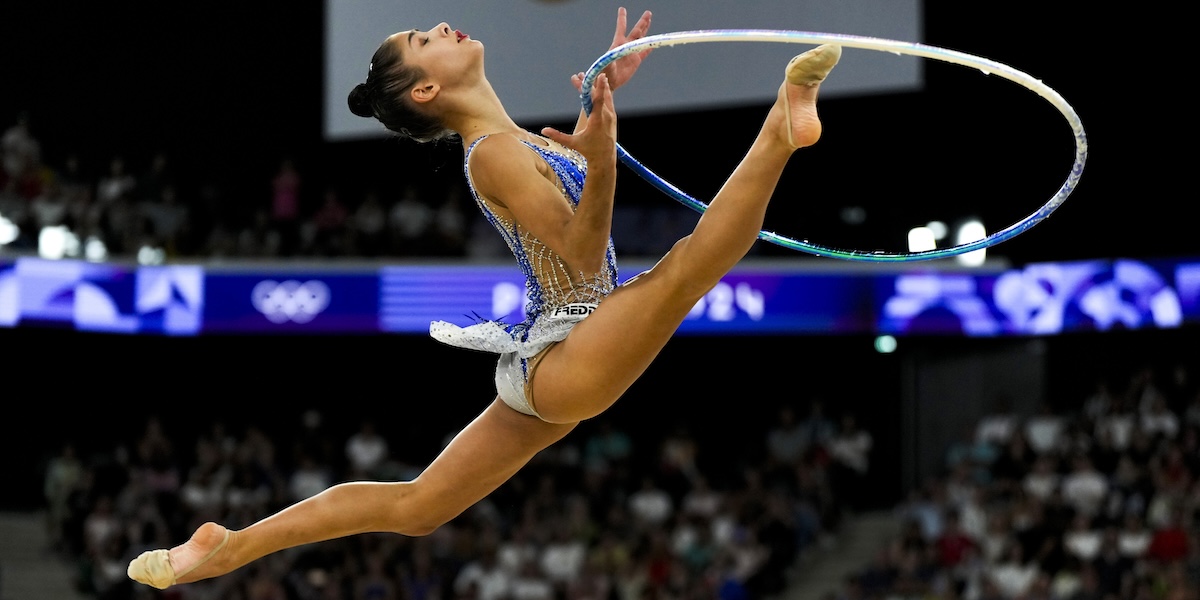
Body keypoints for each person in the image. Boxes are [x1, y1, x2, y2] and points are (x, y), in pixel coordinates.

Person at [128, 7, 843, 590]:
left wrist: (603, 101)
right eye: (422, 39)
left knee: (417, 507)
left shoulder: (515, 140)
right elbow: (584, 252)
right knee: (685, 269)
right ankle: (782, 125)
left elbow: (584, 230)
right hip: (572, 342)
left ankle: (229, 547)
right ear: (425, 92)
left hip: (558, 354)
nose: (441, 25)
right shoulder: (494, 153)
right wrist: (602, 157)